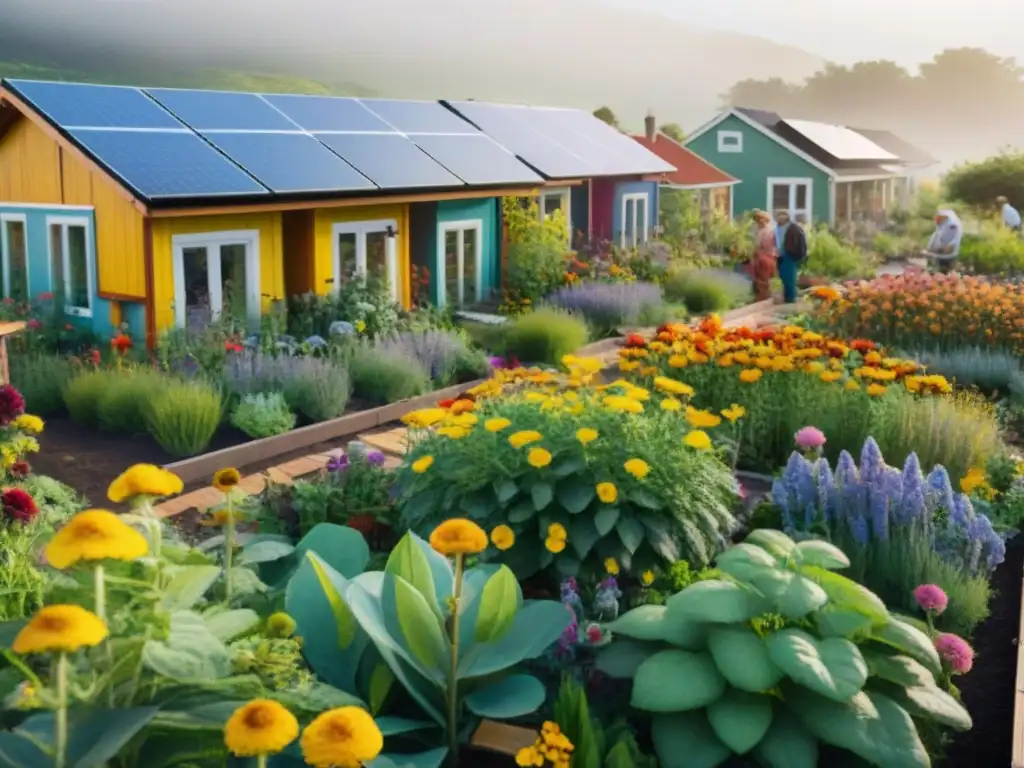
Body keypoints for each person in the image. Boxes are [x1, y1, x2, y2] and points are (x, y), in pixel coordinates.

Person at [774, 209, 806, 303]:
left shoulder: (793, 228)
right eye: (778, 215)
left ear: (786, 217)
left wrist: (799, 254)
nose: (779, 218)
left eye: (781, 215)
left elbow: (799, 242)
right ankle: (786, 296)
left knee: (789, 276)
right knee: (782, 275)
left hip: (790, 254)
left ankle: (791, 298)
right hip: (780, 254)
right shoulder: (778, 228)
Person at [923, 209, 963, 273]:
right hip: (937, 255)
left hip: (947, 256)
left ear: (945, 217)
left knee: (945, 274)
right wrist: (929, 248)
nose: (936, 220)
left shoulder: (953, 225)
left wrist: (949, 246)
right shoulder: (941, 226)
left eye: (939, 218)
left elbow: (956, 238)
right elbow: (935, 237)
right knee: (933, 273)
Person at [750, 210, 777, 301]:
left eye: (760, 219)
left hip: (767, 256)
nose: (758, 222)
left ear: (765, 219)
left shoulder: (769, 231)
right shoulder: (758, 230)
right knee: (758, 277)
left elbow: (766, 245)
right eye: (757, 220)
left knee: (764, 277)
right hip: (759, 256)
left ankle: (764, 296)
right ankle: (761, 296)